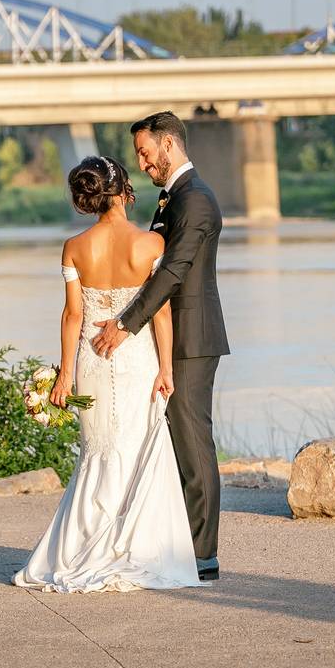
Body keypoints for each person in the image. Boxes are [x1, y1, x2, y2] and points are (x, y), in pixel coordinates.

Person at [13, 155, 203, 592]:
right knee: (137, 450)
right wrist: (167, 369)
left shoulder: (75, 247)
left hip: (92, 362)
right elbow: (160, 314)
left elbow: (73, 315)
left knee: (97, 451)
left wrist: (64, 376)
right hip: (138, 360)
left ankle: (82, 547)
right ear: (123, 190)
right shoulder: (151, 246)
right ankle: (135, 549)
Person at [90, 110, 230, 582]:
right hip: (169, 338)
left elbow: (173, 272)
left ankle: (203, 556)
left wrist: (124, 325)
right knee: (174, 444)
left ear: (168, 145)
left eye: (146, 154)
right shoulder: (174, 199)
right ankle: (177, 547)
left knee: (193, 446)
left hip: (192, 337)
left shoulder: (198, 201)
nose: (144, 165)